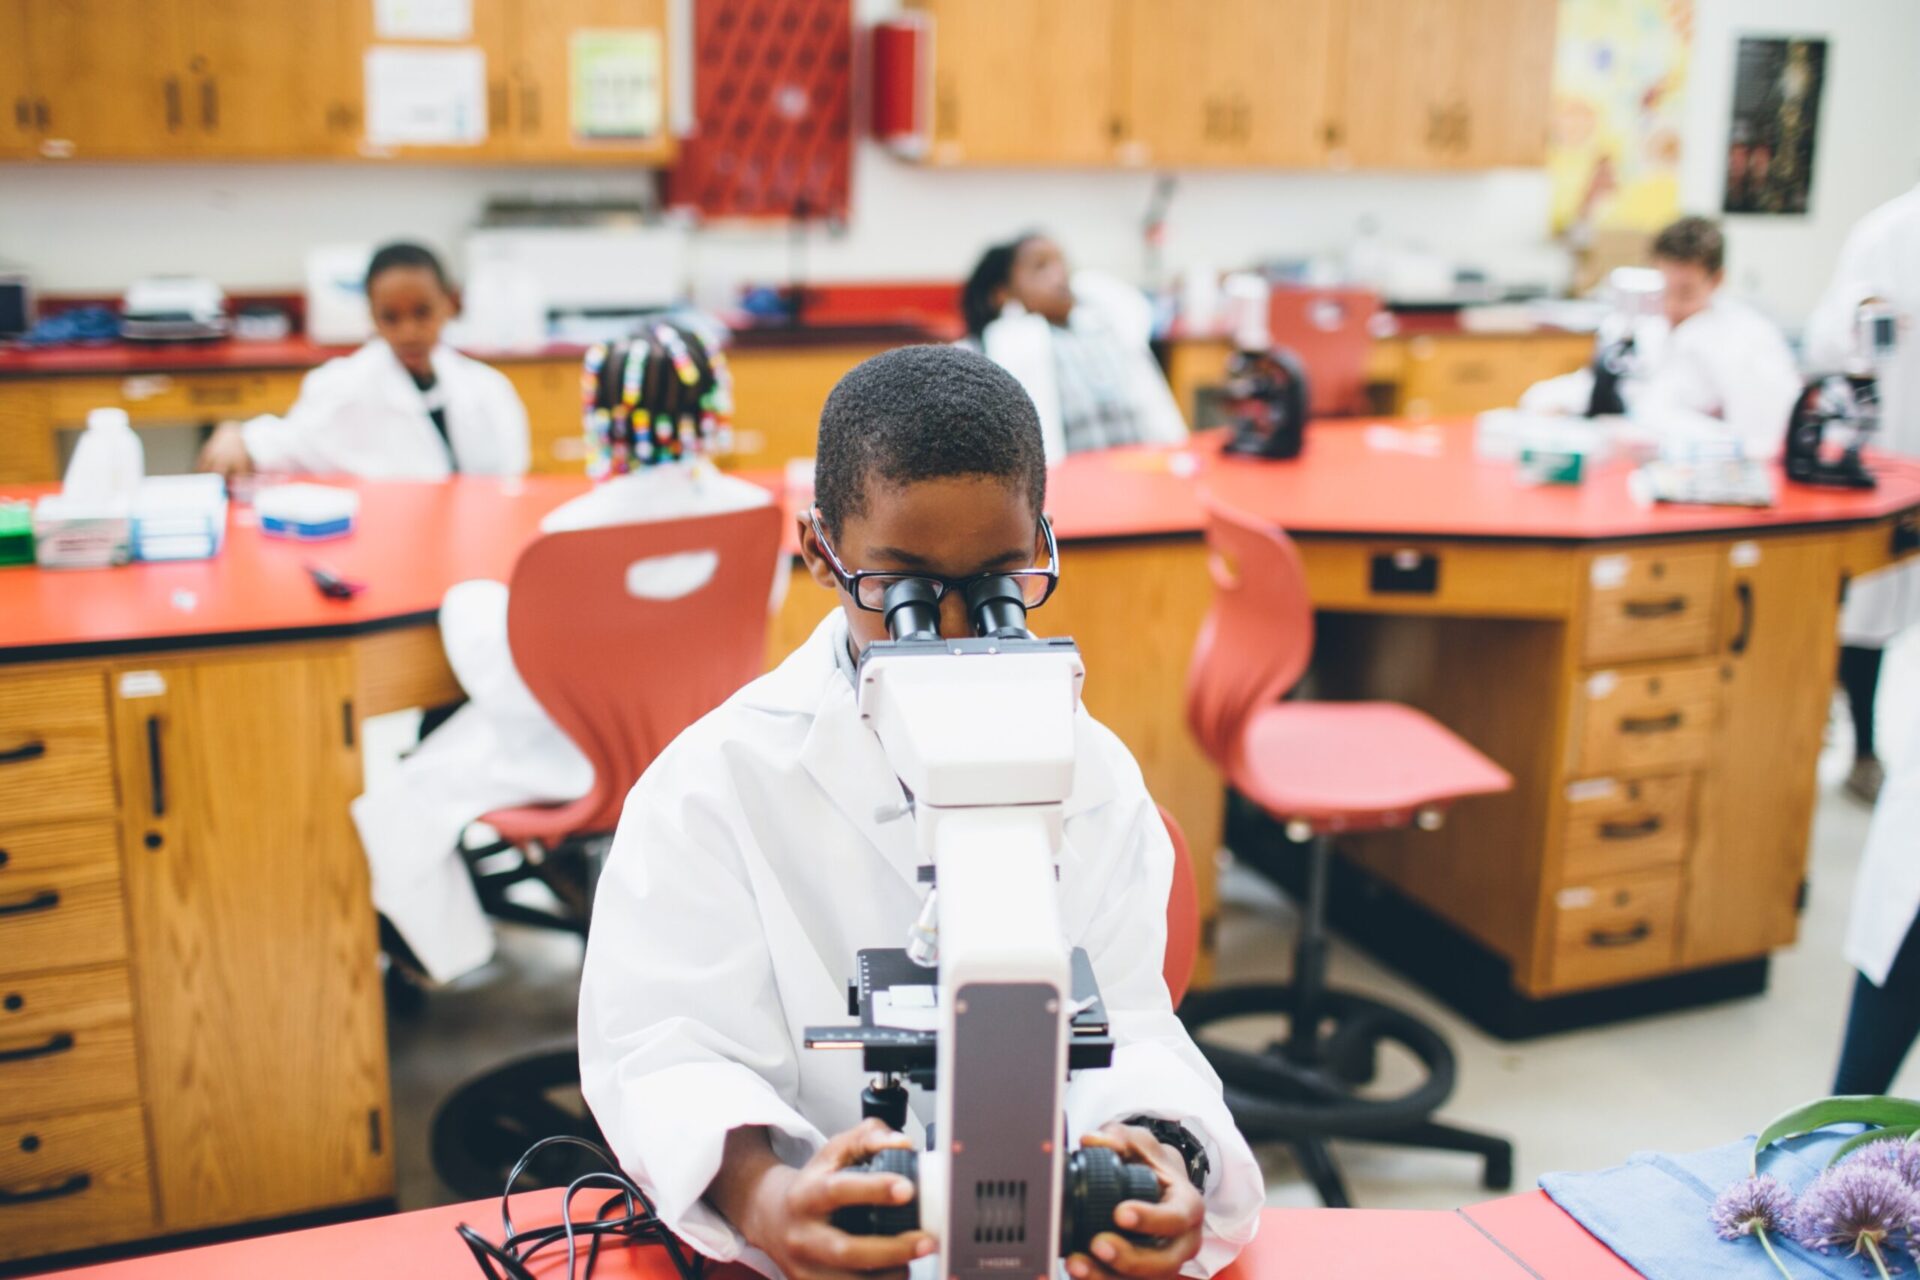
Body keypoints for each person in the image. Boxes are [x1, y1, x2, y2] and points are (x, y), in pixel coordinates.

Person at [578, 346, 1261, 1280]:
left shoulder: (1091, 772)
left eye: (994, 584)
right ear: (822, 552)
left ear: (1040, 547)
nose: (945, 631)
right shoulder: (712, 783)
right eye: (902, 588)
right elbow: (664, 1050)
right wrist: (765, 1196)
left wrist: (1156, 1153)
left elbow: (1133, 1023)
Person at [352, 322, 771, 983]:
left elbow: (516, 681)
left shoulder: (572, 535)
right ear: (712, 406)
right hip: (692, 744)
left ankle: (460, 959)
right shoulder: (754, 515)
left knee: (402, 800)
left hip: (580, 761)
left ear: (600, 416)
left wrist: (469, 604)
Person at [197, 242, 529, 479]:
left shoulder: (488, 389)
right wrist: (235, 436)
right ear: (371, 314)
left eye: (422, 312)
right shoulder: (342, 386)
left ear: (450, 303)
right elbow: (290, 442)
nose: (408, 331)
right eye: (391, 317)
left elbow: (511, 477)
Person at [1806, 182, 1920, 804]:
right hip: (1891, 452)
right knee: (1870, 612)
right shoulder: (1888, 234)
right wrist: (1864, 313)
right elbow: (1830, 340)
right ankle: (1864, 749)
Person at [1520, 216, 1802, 458]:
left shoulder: (1747, 340)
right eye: (1663, 290)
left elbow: (1763, 443)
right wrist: (1549, 400)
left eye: (1685, 292)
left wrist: (1661, 436)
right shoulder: (1642, 324)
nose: (1671, 306)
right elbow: (1606, 385)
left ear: (1716, 280)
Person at [963, 233, 1188, 465]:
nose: (1060, 274)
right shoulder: (1005, 344)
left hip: (1142, 469)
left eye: (1062, 263)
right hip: (1071, 484)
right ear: (1004, 293)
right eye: (1041, 267)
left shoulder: (1103, 326)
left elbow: (1132, 306)